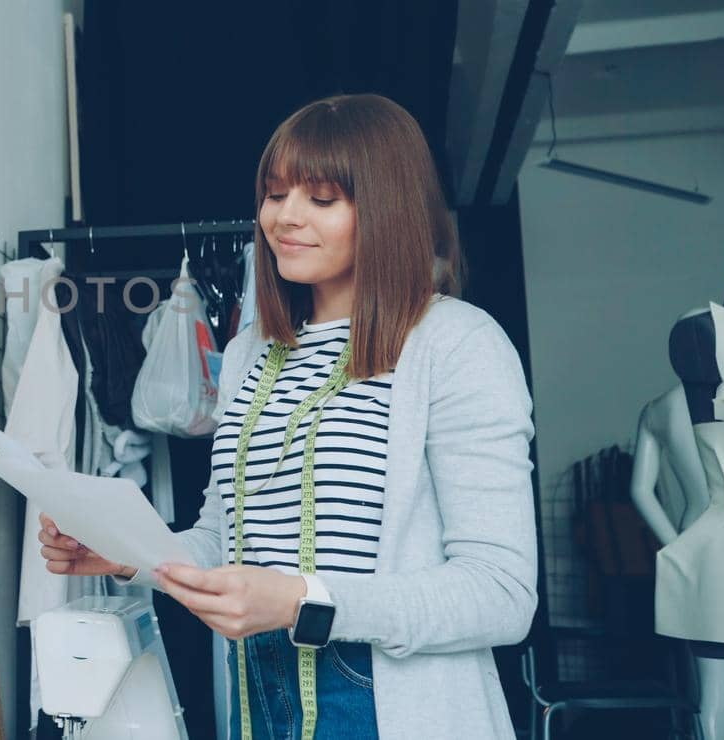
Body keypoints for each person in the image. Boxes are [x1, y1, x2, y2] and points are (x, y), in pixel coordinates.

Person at [39, 94, 537, 740]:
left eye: (321, 200)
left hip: (384, 698)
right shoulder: (252, 352)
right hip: (259, 684)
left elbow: (501, 594)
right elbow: (225, 541)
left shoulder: (457, 344)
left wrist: (306, 601)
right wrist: (125, 553)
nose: (285, 218)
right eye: (275, 195)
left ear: (387, 210)